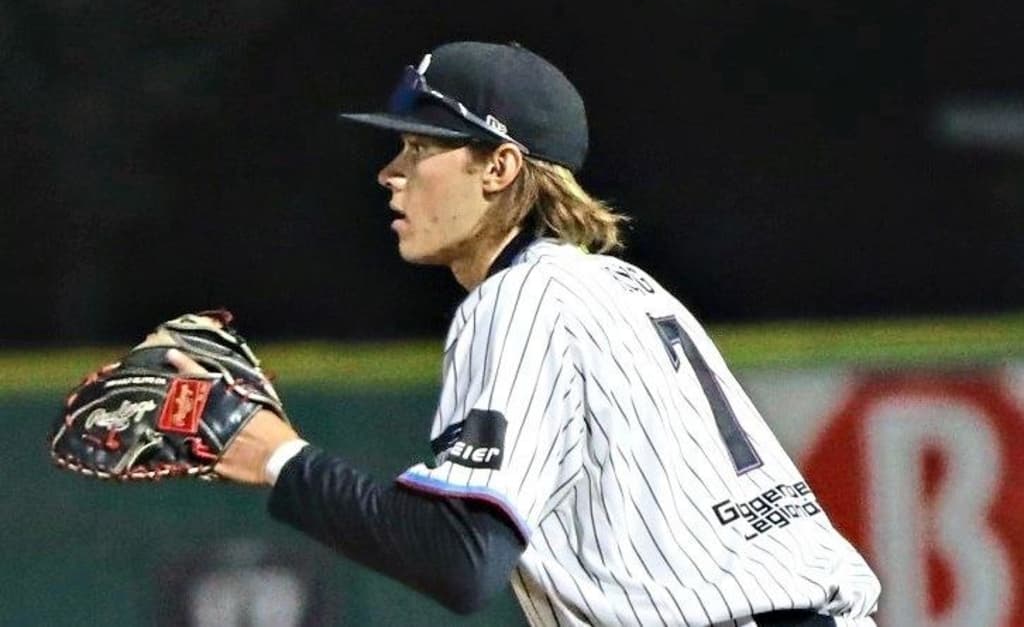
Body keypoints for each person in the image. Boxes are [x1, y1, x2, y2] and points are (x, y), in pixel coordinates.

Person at [172, 40, 881, 626]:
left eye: (421, 147)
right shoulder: (615, 285)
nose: (390, 173)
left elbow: (458, 556)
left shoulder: (519, 299)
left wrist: (278, 458)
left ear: (500, 166)